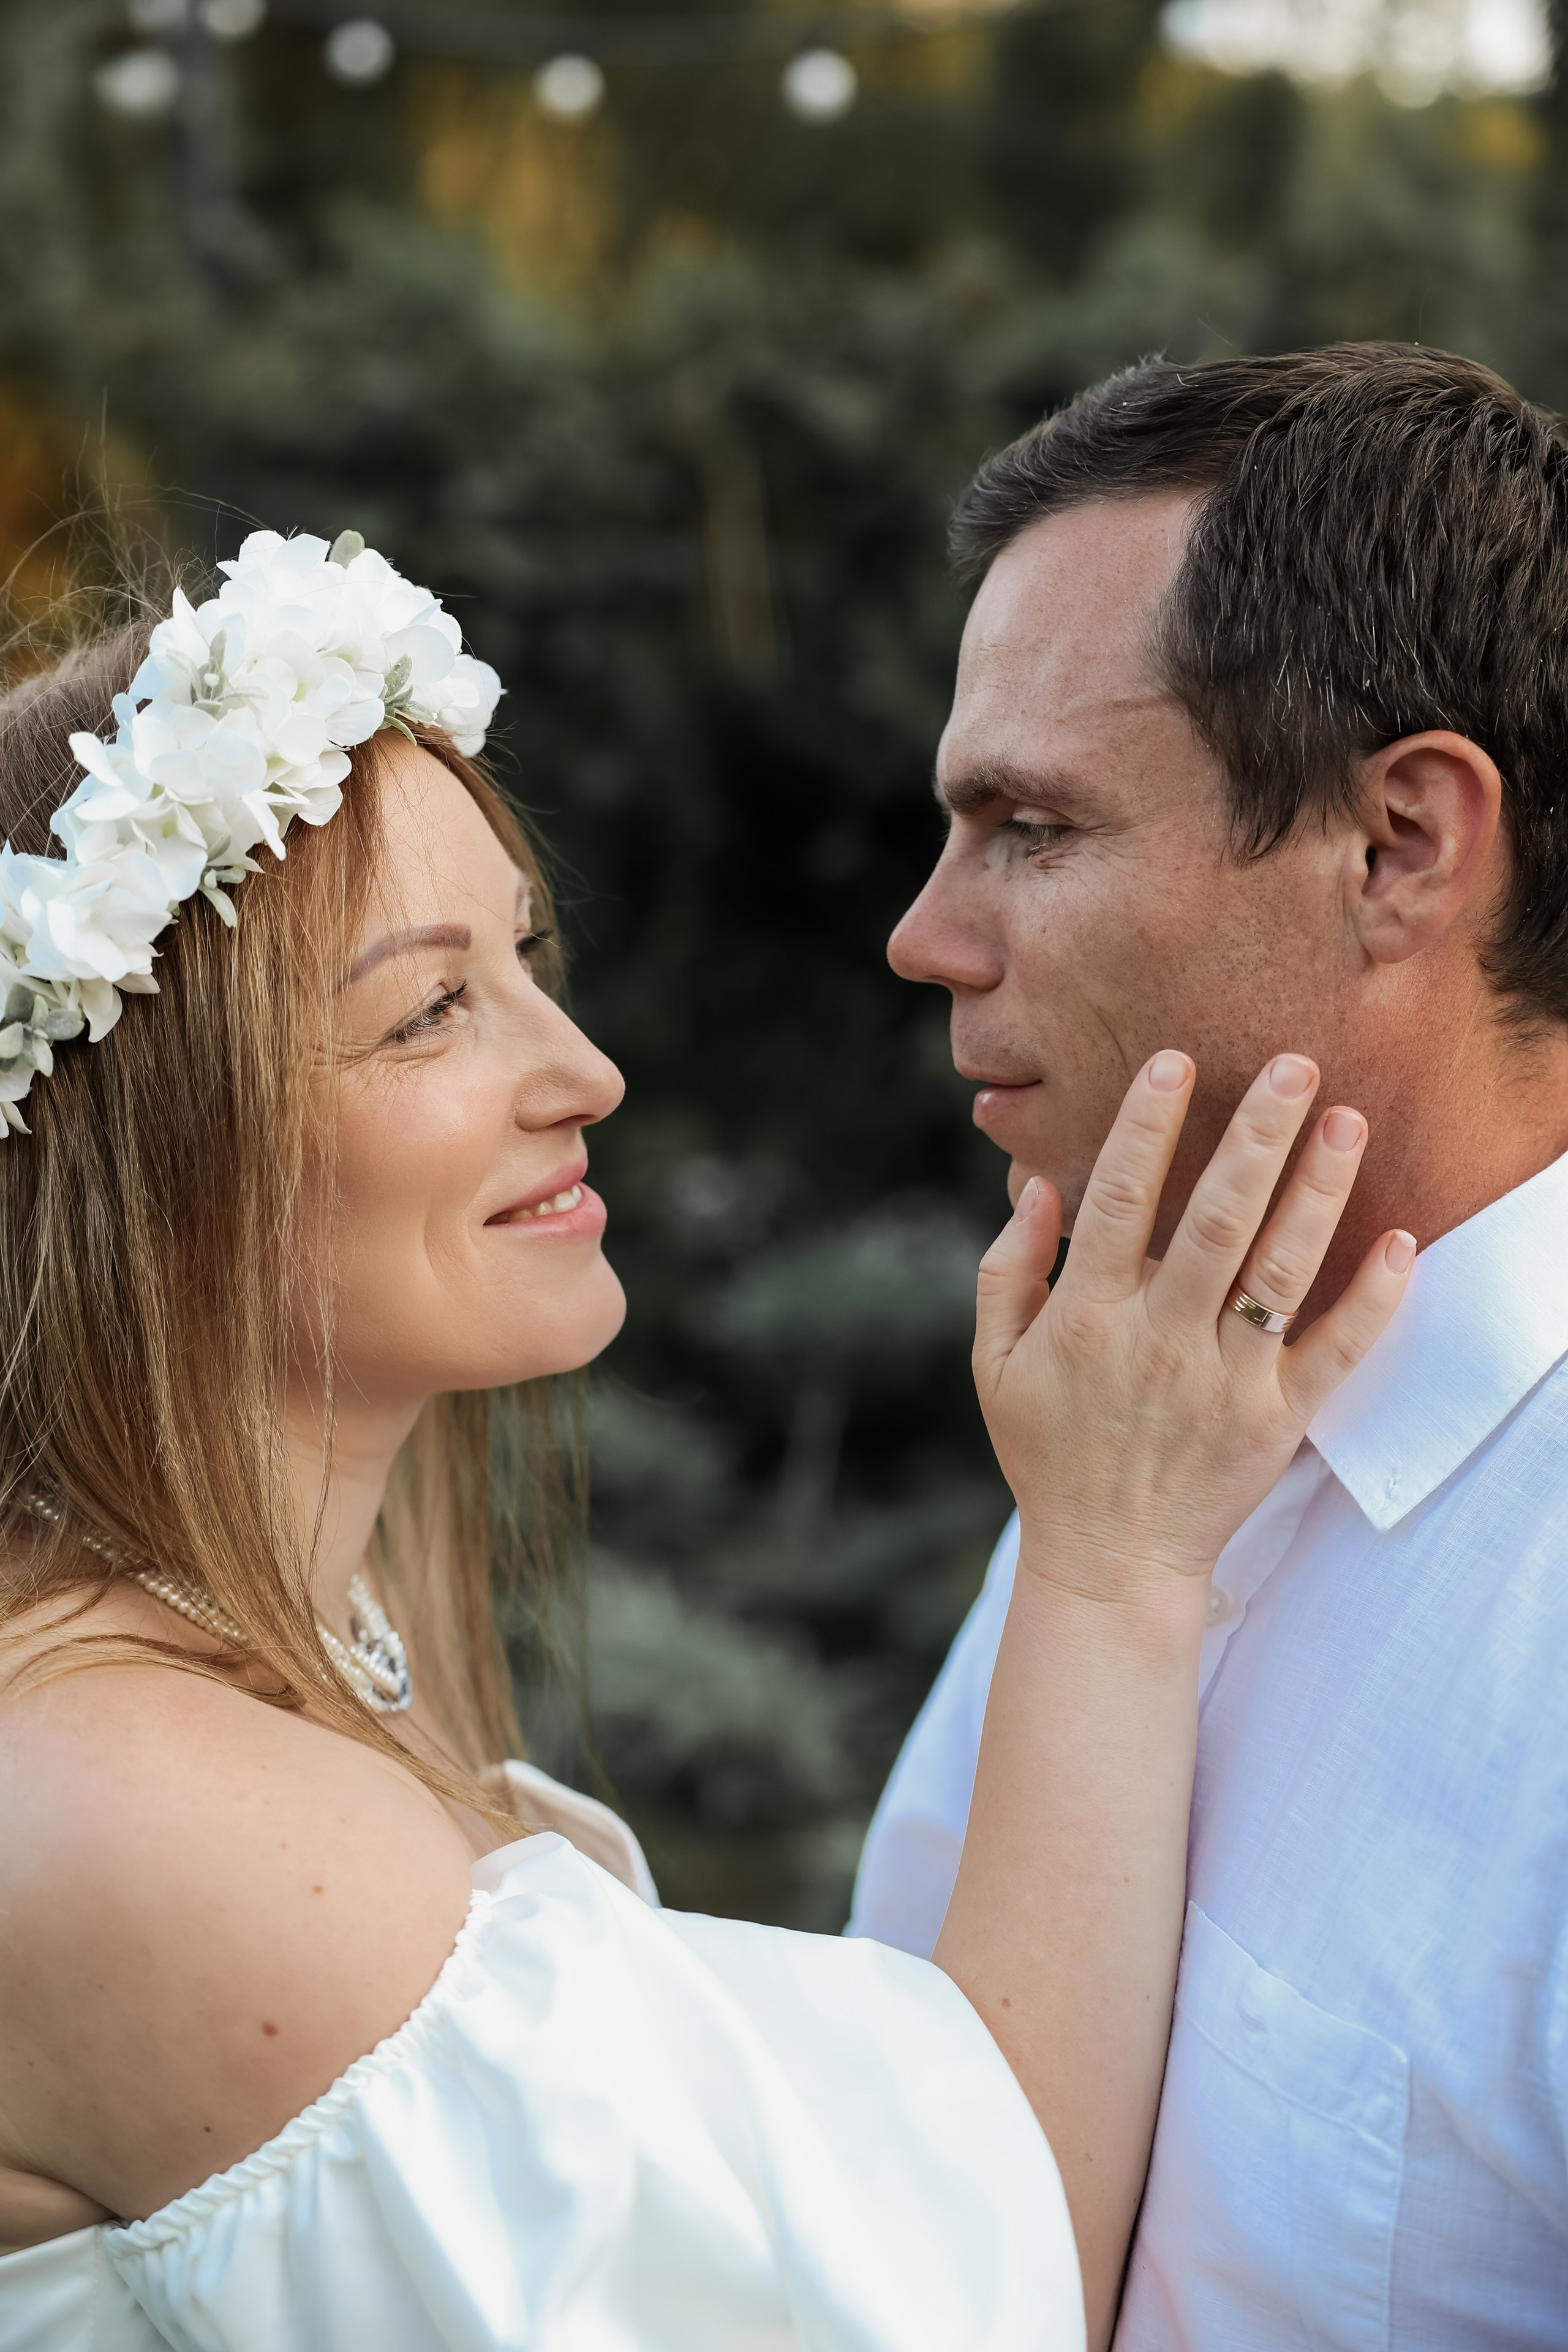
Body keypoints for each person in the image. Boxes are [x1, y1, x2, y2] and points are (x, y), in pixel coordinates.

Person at [0, 530, 1404, 2352]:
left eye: (521, 959)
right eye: (429, 1009)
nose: (585, 1069)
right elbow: (940, 2307)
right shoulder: (154, 1804)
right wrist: (1114, 1559)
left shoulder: (240, 1675)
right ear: (154, 1154)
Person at [850, 342, 1568, 2346]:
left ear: (1404, 845)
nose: (928, 934)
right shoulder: (1134, 1431)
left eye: (1031, 825)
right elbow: (913, 2178)